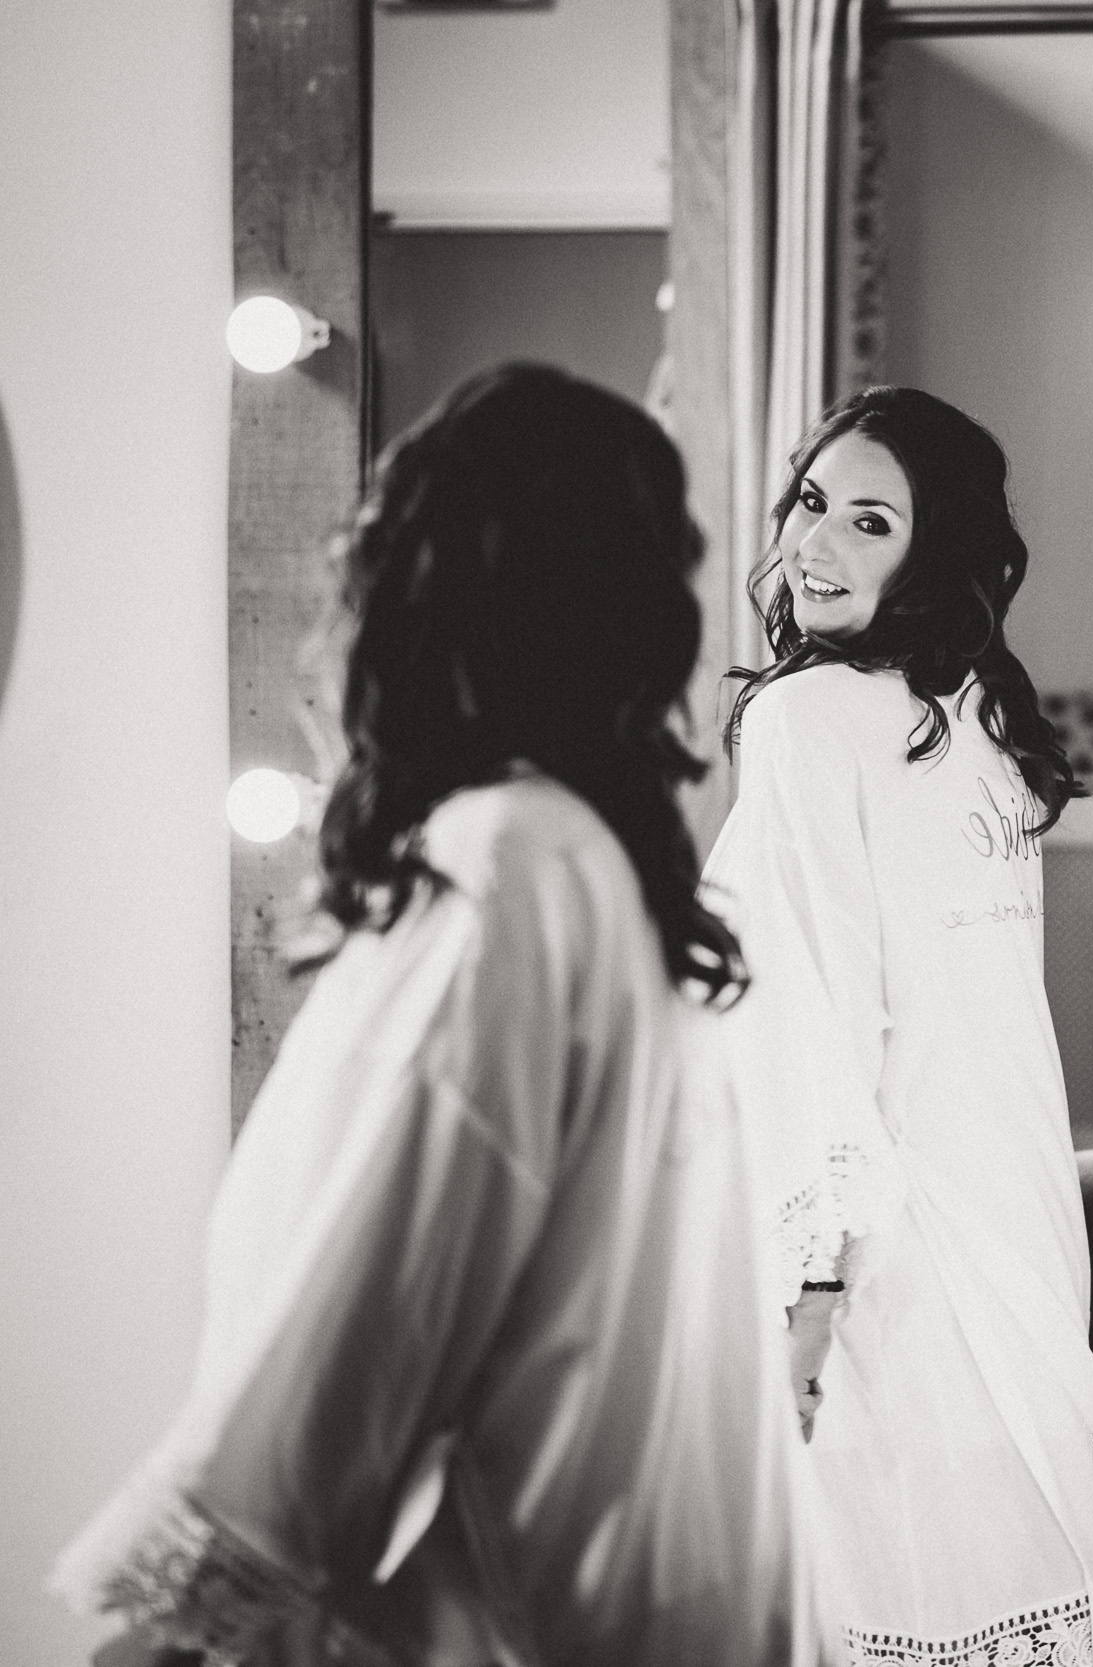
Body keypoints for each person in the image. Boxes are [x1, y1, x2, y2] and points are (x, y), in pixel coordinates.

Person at [54, 364, 837, 1666]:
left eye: (366, 552)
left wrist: (176, 1634)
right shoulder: (600, 875)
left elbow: (360, 1328)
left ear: (420, 587)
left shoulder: (511, 867)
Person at [706, 386, 1093, 1666]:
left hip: (885, 1267)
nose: (817, 544)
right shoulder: (988, 729)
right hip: (1019, 1241)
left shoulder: (804, 719)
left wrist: (810, 1291)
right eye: (812, 504)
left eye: (868, 520)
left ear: (927, 553)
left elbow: (822, 1021)